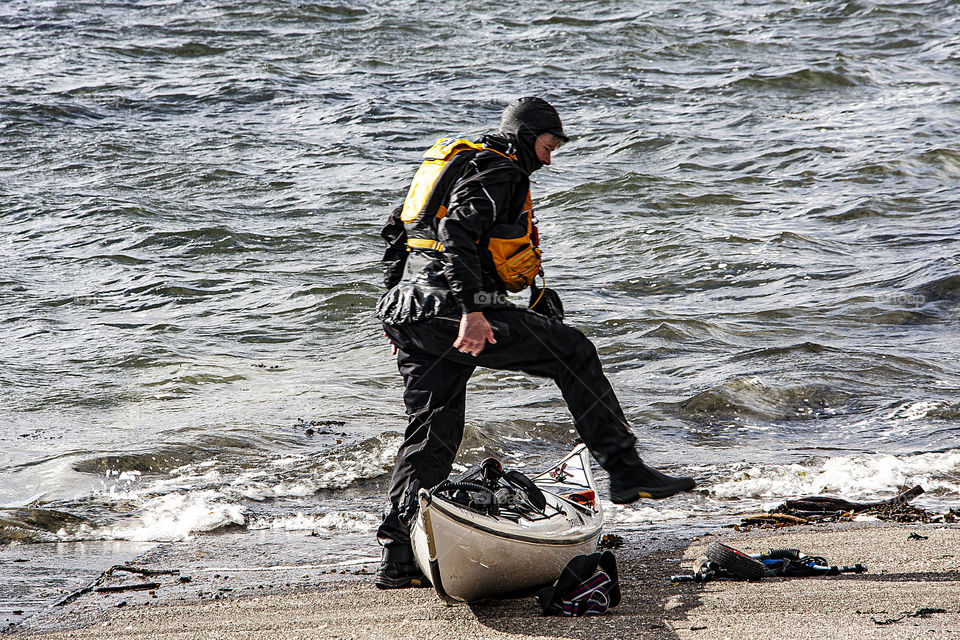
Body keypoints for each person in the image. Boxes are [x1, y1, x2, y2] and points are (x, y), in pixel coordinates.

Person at [374, 97, 696, 589]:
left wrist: (401, 322)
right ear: (527, 138)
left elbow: (398, 232)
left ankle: (398, 558)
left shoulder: (455, 160)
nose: (548, 160)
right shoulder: (503, 170)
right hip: (453, 308)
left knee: (431, 434)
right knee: (574, 353)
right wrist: (472, 312)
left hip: (410, 312)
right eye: (547, 147)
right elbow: (456, 231)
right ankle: (626, 471)